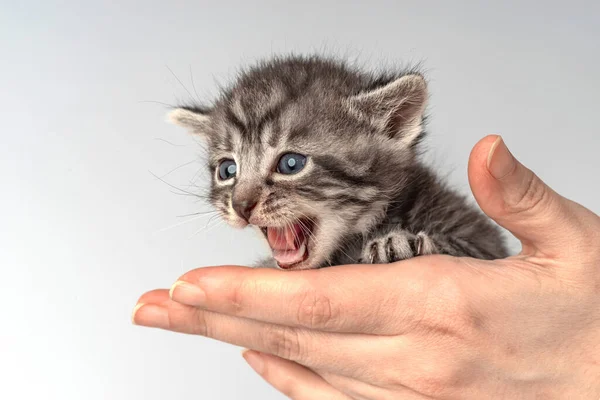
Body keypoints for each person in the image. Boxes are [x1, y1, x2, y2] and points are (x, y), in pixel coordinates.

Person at [132, 135, 600, 399]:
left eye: (290, 162)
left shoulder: (431, 207)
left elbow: (490, 258)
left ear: (393, 127)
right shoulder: (309, 236)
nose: (243, 200)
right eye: (228, 169)